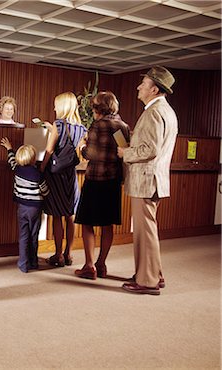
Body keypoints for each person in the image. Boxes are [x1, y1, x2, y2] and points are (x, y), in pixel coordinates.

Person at [117, 66, 178, 295]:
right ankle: (154, 274)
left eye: (143, 84)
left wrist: (126, 153)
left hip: (146, 180)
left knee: (145, 232)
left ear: (154, 89)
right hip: (155, 179)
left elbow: (149, 149)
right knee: (149, 231)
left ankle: (148, 281)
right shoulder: (167, 111)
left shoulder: (153, 112)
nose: (138, 87)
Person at [74, 91, 130, 279]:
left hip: (95, 180)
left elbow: (91, 154)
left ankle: (89, 266)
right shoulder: (123, 126)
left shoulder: (98, 126)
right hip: (112, 182)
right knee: (107, 224)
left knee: (87, 222)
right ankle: (102, 264)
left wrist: (81, 146)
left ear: (98, 108)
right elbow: (123, 152)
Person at [40, 92, 87, 267]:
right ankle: (69, 254)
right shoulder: (82, 128)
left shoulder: (58, 125)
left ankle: (58, 255)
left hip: (56, 174)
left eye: (56, 105)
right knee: (70, 215)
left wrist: (42, 168)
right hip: (71, 175)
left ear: (62, 106)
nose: (54, 108)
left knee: (57, 216)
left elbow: (50, 150)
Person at [0, 138, 50, 272]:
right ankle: (34, 262)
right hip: (35, 209)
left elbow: (11, 160)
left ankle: (23, 264)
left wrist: (9, 148)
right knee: (34, 235)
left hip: (22, 208)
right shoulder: (37, 174)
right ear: (33, 159)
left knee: (23, 236)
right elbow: (44, 191)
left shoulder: (17, 169)